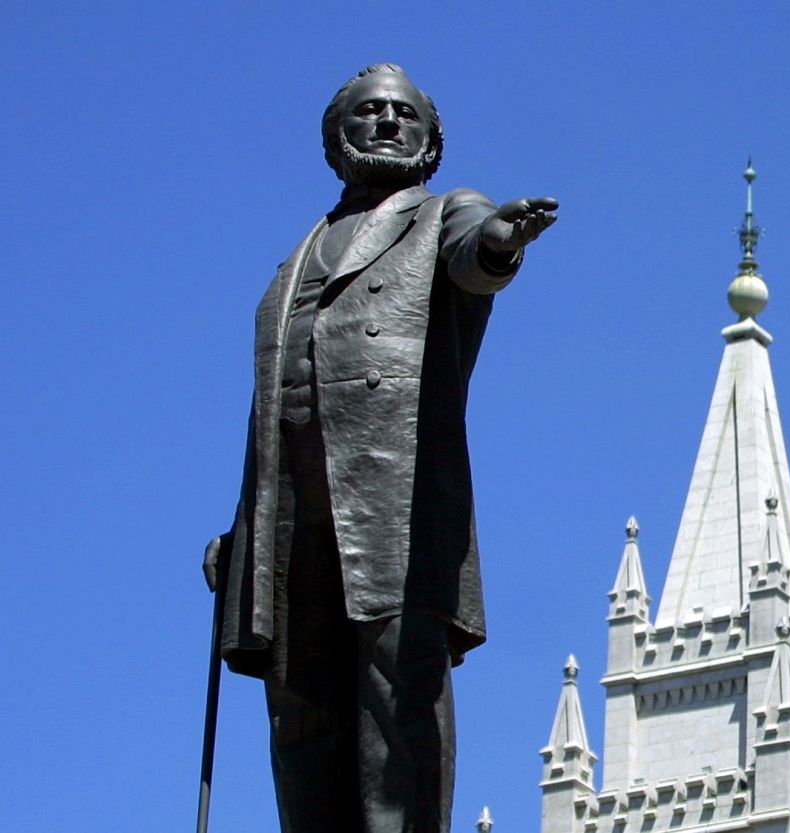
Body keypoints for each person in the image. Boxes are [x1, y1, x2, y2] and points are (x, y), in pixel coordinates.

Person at [202, 63, 558, 832]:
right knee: (301, 717)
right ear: (337, 139)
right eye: (369, 112)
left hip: (394, 512)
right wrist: (242, 535)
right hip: (292, 525)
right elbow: (275, 412)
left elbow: (475, 254)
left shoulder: (444, 215)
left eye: (406, 114)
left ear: (431, 145)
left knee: (399, 708)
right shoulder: (296, 256)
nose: (388, 122)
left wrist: (500, 242)